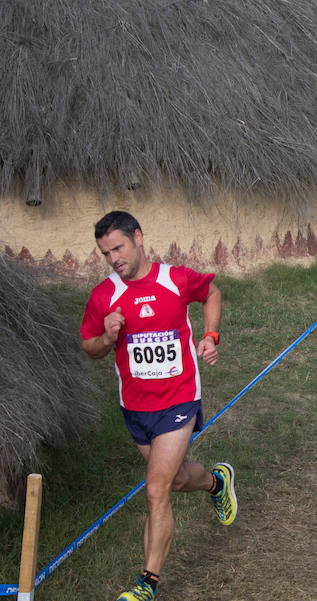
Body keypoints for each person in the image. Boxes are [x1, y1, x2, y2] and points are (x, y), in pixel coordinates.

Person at [80, 211, 236, 601]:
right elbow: (90, 348)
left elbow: (211, 292)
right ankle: (218, 482)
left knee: (155, 489)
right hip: (135, 407)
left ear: (138, 237)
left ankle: (146, 583)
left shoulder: (175, 279)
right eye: (106, 253)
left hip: (179, 399)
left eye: (118, 247)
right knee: (175, 480)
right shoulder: (104, 296)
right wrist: (106, 335)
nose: (114, 258)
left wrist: (211, 335)